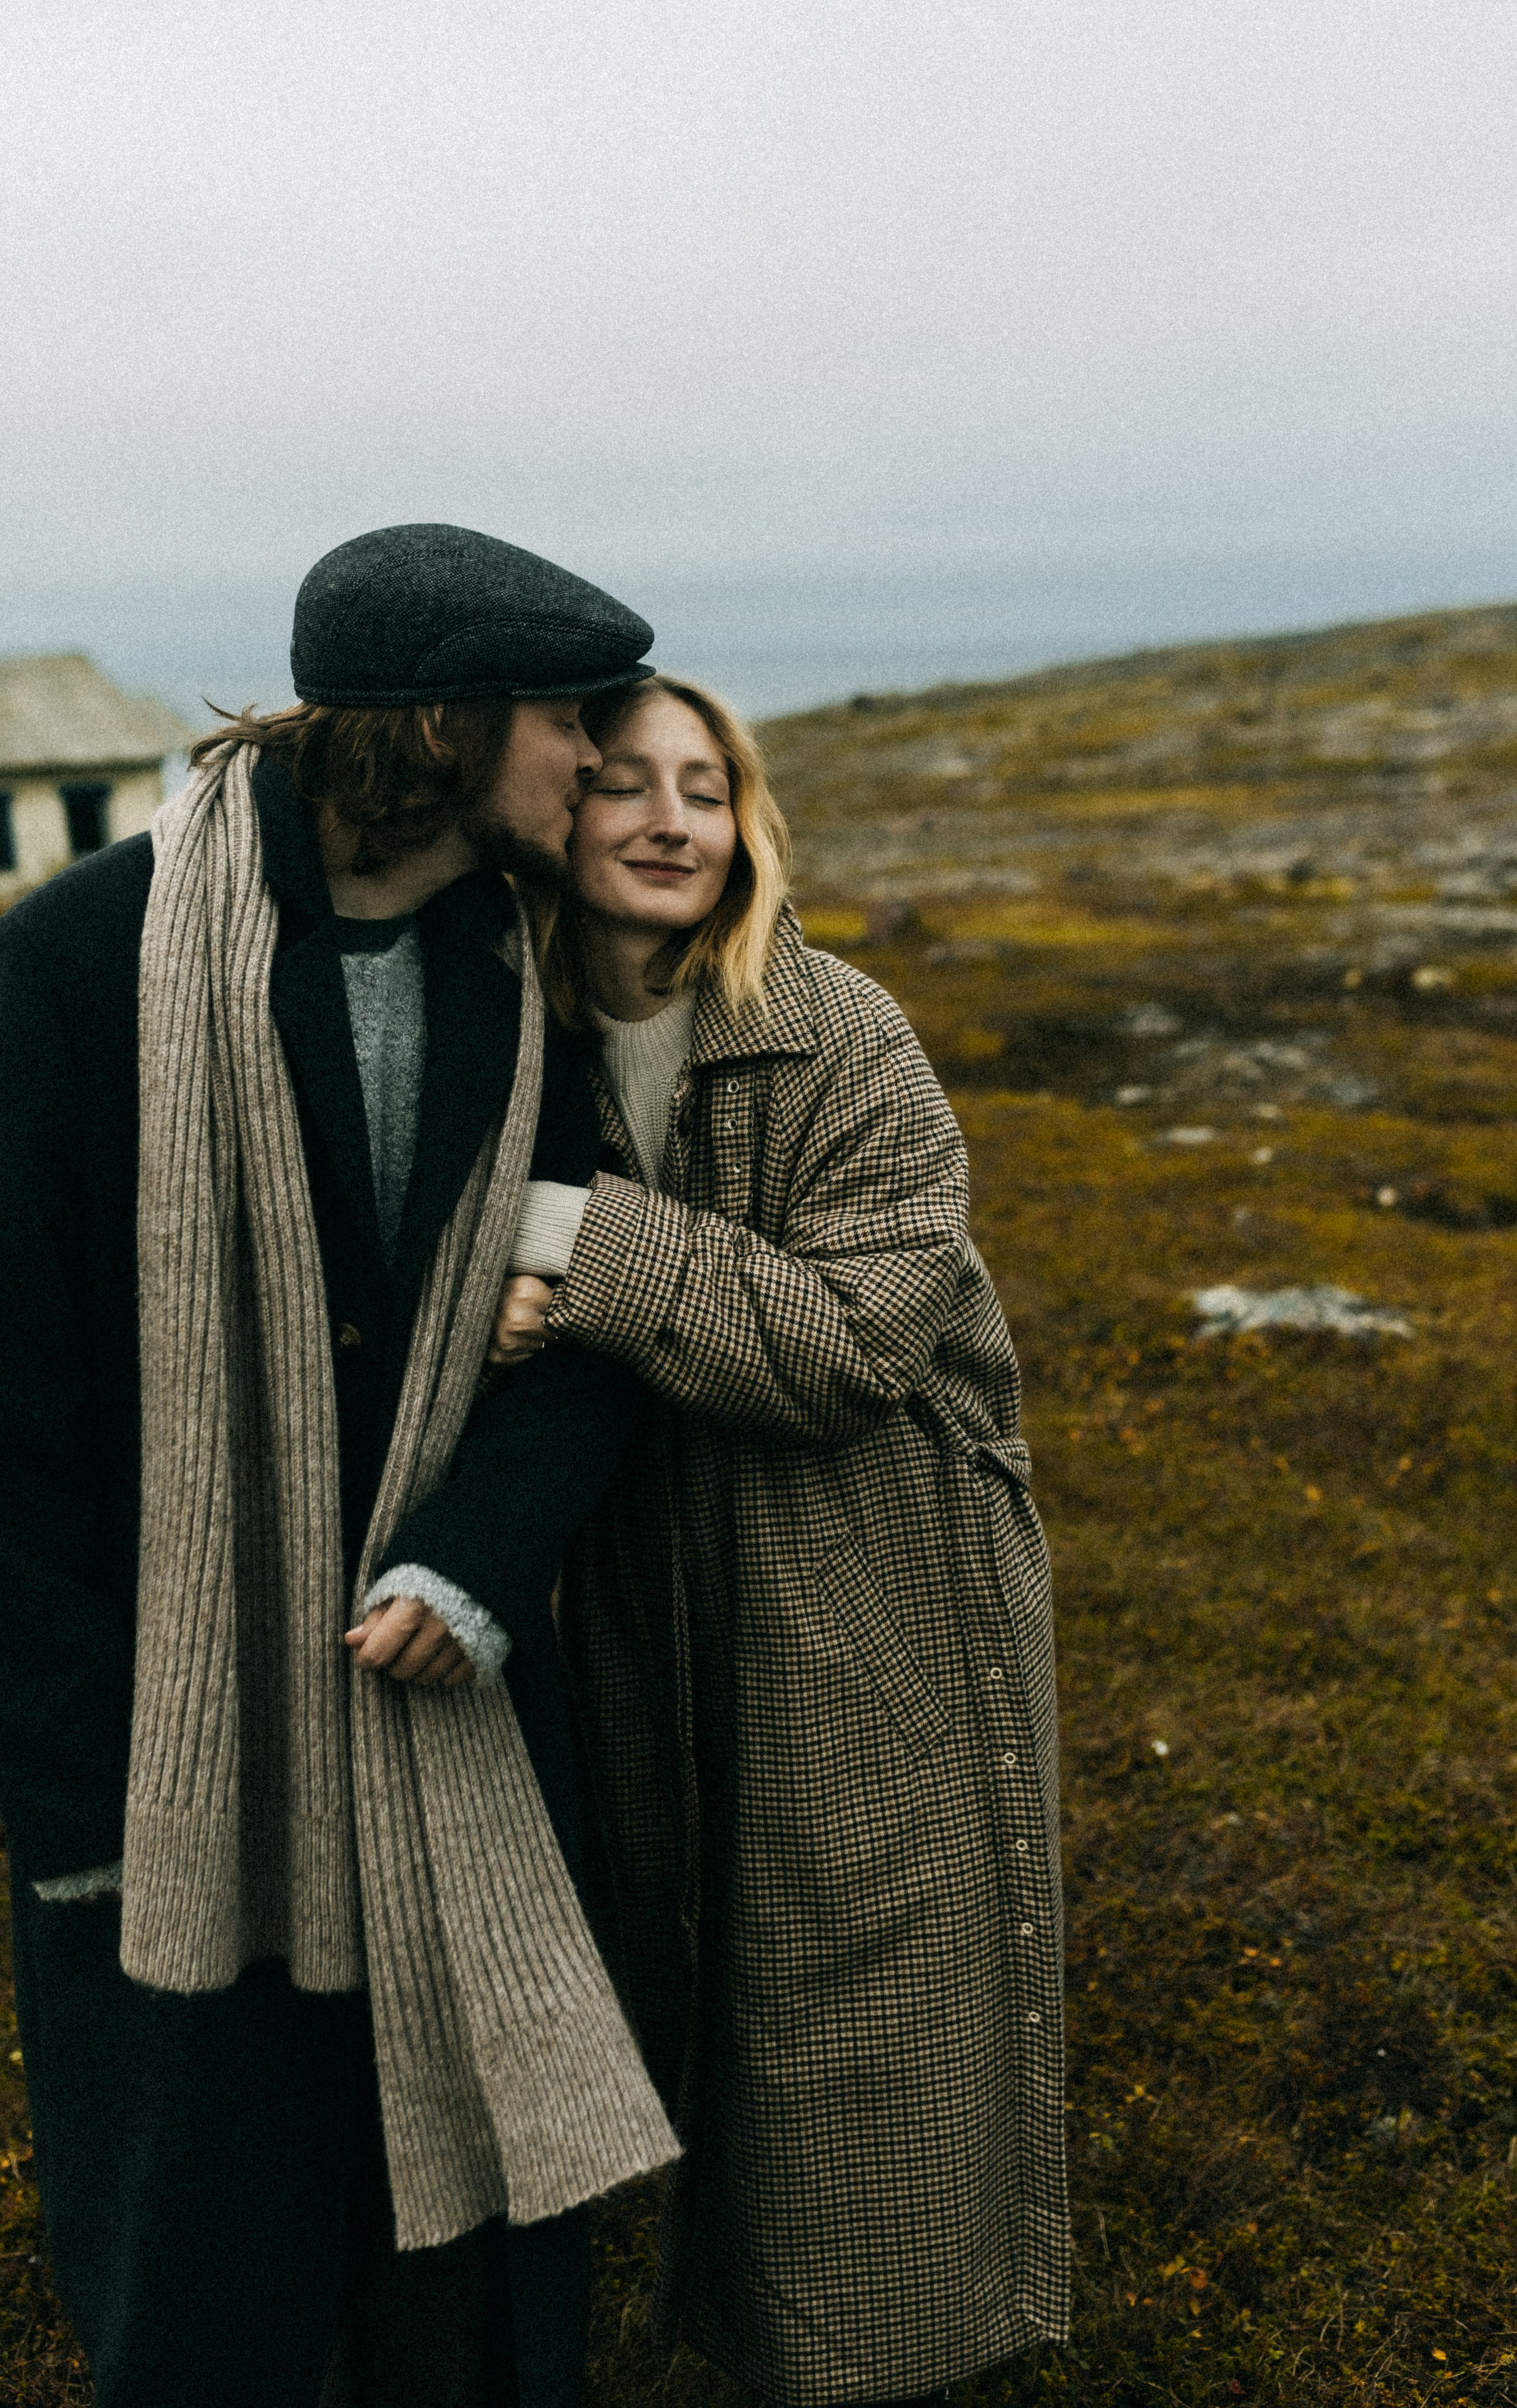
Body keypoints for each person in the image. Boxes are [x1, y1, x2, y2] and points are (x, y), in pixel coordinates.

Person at [0, 524, 679, 2408]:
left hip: (448, 1736)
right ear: (437, 724)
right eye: (566, 718)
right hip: (179, 1785)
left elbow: (585, 1336)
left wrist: (477, 1560)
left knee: (467, 2317)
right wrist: (86, 1814)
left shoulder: (539, 978)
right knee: (213, 2294)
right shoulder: (78, 963)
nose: (596, 754)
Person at [491, 674, 1070, 2407]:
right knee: (691, 1986)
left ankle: (891, 2353)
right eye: (625, 786)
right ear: (557, 810)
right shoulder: (513, 1035)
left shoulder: (841, 1032)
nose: (671, 820)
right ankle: (731, 2342)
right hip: (642, 1587)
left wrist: (579, 1241)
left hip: (874, 1580)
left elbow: (845, 1350)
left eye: (709, 788)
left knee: (858, 1994)